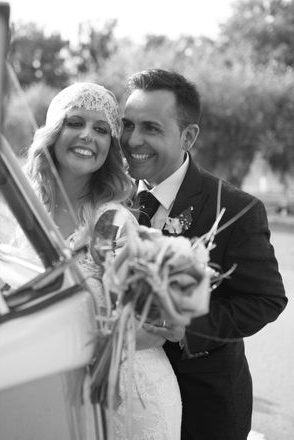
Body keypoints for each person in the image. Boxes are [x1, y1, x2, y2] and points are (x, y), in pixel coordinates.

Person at [120, 69, 288, 440]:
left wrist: (190, 327)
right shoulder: (112, 199)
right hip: (124, 399)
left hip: (203, 407)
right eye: (127, 125)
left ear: (188, 136)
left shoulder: (235, 209)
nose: (133, 140)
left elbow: (267, 299)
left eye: (151, 128)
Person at [25, 82, 184, 439]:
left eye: (101, 129)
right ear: (53, 131)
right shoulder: (23, 208)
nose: (87, 136)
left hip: (125, 397)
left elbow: (153, 330)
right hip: (51, 386)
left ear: (110, 147)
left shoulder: (110, 221)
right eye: (75, 122)